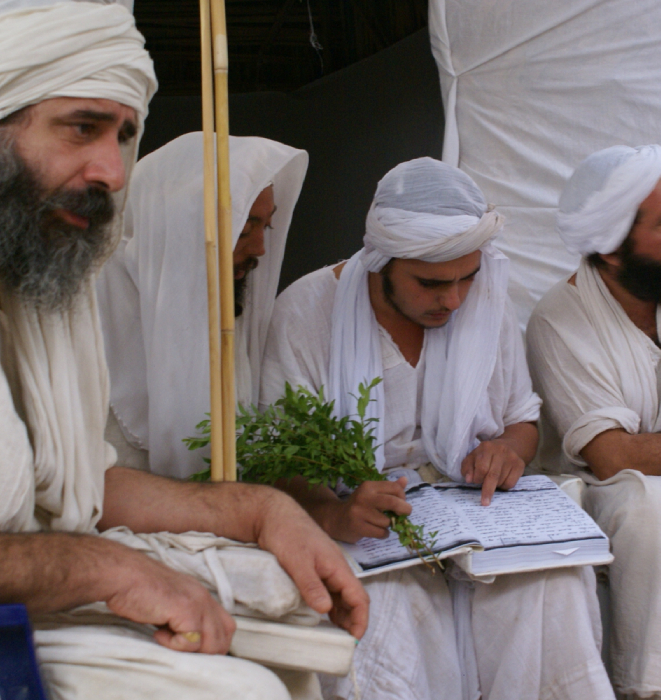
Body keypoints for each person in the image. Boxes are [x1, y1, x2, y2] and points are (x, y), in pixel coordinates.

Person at [0, 2, 368, 699]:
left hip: (39, 597)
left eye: (124, 136)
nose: (111, 169)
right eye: (81, 127)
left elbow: (80, 485)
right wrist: (113, 571)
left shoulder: (41, 294)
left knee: (289, 617)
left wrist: (259, 510)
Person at [261, 157, 615, 700]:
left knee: (554, 584)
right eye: (431, 283)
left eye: (466, 279)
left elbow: (522, 420)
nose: (452, 300)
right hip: (366, 529)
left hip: (475, 515)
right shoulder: (306, 312)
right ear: (381, 263)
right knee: (387, 612)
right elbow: (282, 467)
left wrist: (506, 451)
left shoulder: (484, 300)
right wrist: (336, 511)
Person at [527, 144, 661, 700]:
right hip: (601, 500)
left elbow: (631, 444)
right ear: (614, 253)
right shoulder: (560, 320)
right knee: (657, 504)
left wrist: (648, 445)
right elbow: (613, 458)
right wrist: (638, 448)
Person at [97, 131, 308, 478]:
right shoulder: (88, 304)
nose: (260, 249)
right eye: (243, 229)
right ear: (179, 226)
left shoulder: (227, 291)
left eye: (266, 227)